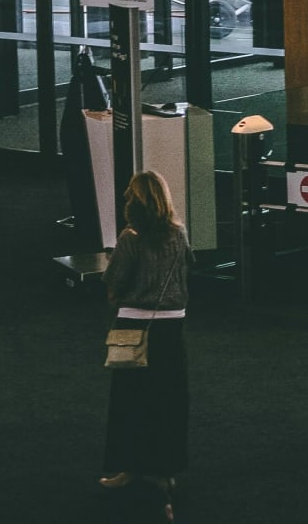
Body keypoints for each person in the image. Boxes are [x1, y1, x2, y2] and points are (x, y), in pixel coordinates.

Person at [101, 171, 191, 512]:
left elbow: (115, 282)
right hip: (171, 329)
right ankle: (165, 473)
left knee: (128, 400)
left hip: (133, 324)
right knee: (167, 401)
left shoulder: (131, 236)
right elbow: (185, 274)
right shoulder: (179, 234)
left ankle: (129, 466)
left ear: (137, 201)